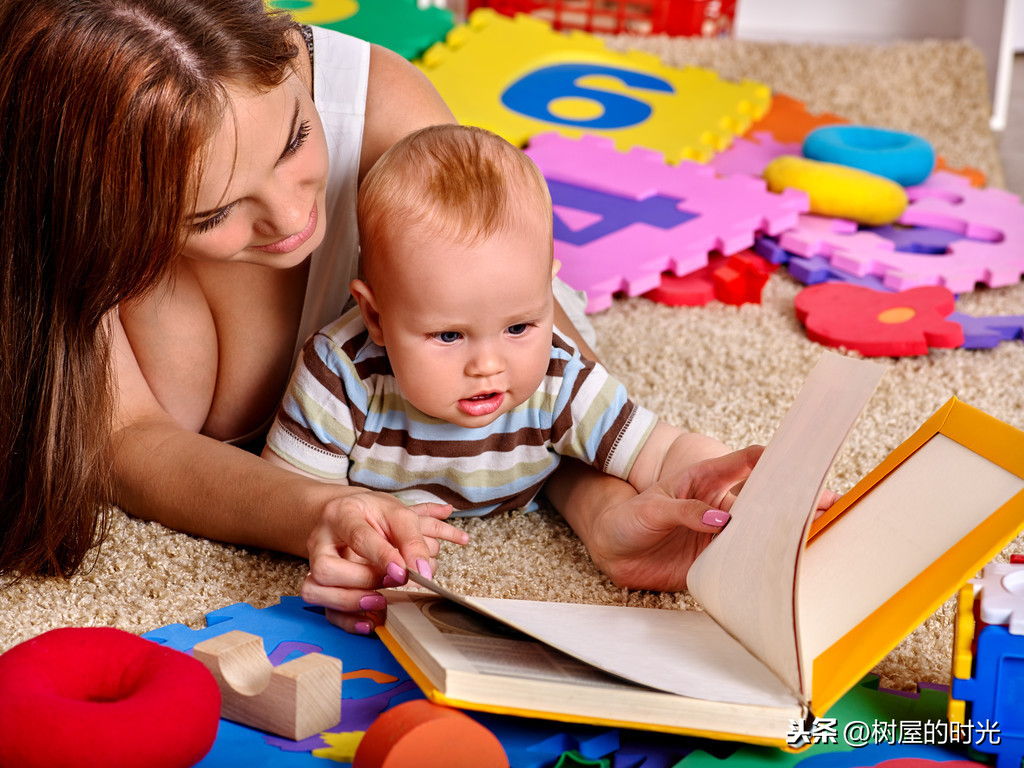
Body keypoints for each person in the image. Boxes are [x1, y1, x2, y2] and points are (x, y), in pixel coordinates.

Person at [1, 0, 771, 636]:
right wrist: (321, 514)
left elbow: (513, 356)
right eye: (215, 213)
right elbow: (129, 442)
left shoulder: (379, 110)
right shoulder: (56, 203)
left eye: (296, 138)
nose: (293, 215)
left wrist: (613, 495)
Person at [263, 123, 773, 590]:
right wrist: (353, 534)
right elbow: (292, 497)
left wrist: (728, 482)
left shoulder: (556, 373)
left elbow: (660, 452)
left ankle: (543, 302)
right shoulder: (340, 376)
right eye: (448, 336)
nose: (488, 365)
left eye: (517, 328)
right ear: (375, 317)